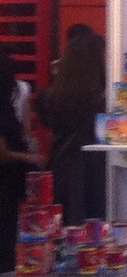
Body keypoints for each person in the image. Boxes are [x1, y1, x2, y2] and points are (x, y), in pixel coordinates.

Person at [36, 28, 105, 227]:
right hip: (96, 168)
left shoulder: (47, 98)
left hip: (62, 167)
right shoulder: (102, 100)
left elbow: (50, 124)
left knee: (65, 228)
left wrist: (55, 76)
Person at [0, 53, 40, 277]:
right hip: (4, 186)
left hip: (7, 186)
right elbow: (2, 152)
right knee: (4, 247)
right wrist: (31, 158)